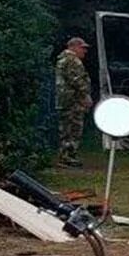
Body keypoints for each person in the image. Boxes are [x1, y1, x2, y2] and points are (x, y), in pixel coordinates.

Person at [54, 36, 93, 166]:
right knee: (73, 129)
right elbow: (77, 81)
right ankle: (67, 157)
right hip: (72, 101)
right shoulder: (72, 61)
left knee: (65, 129)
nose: (84, 51)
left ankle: (66, 156)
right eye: (82, 48)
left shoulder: (62, 60)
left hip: (65, 100)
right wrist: (86, 96)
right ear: (74, 47)